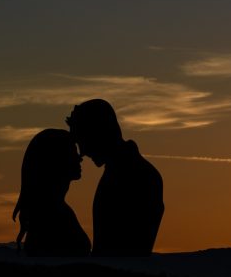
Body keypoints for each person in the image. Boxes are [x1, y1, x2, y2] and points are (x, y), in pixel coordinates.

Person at [66, 99, 164, 256]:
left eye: (83, 140)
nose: (82, 152)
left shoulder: (138, 176)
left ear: (99, 133)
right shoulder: (123, 172)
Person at [12, 128, 91, 257]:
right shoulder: (51, 212)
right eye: (72, 152)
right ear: (56, 160)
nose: (80, 158)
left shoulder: (55, 209)